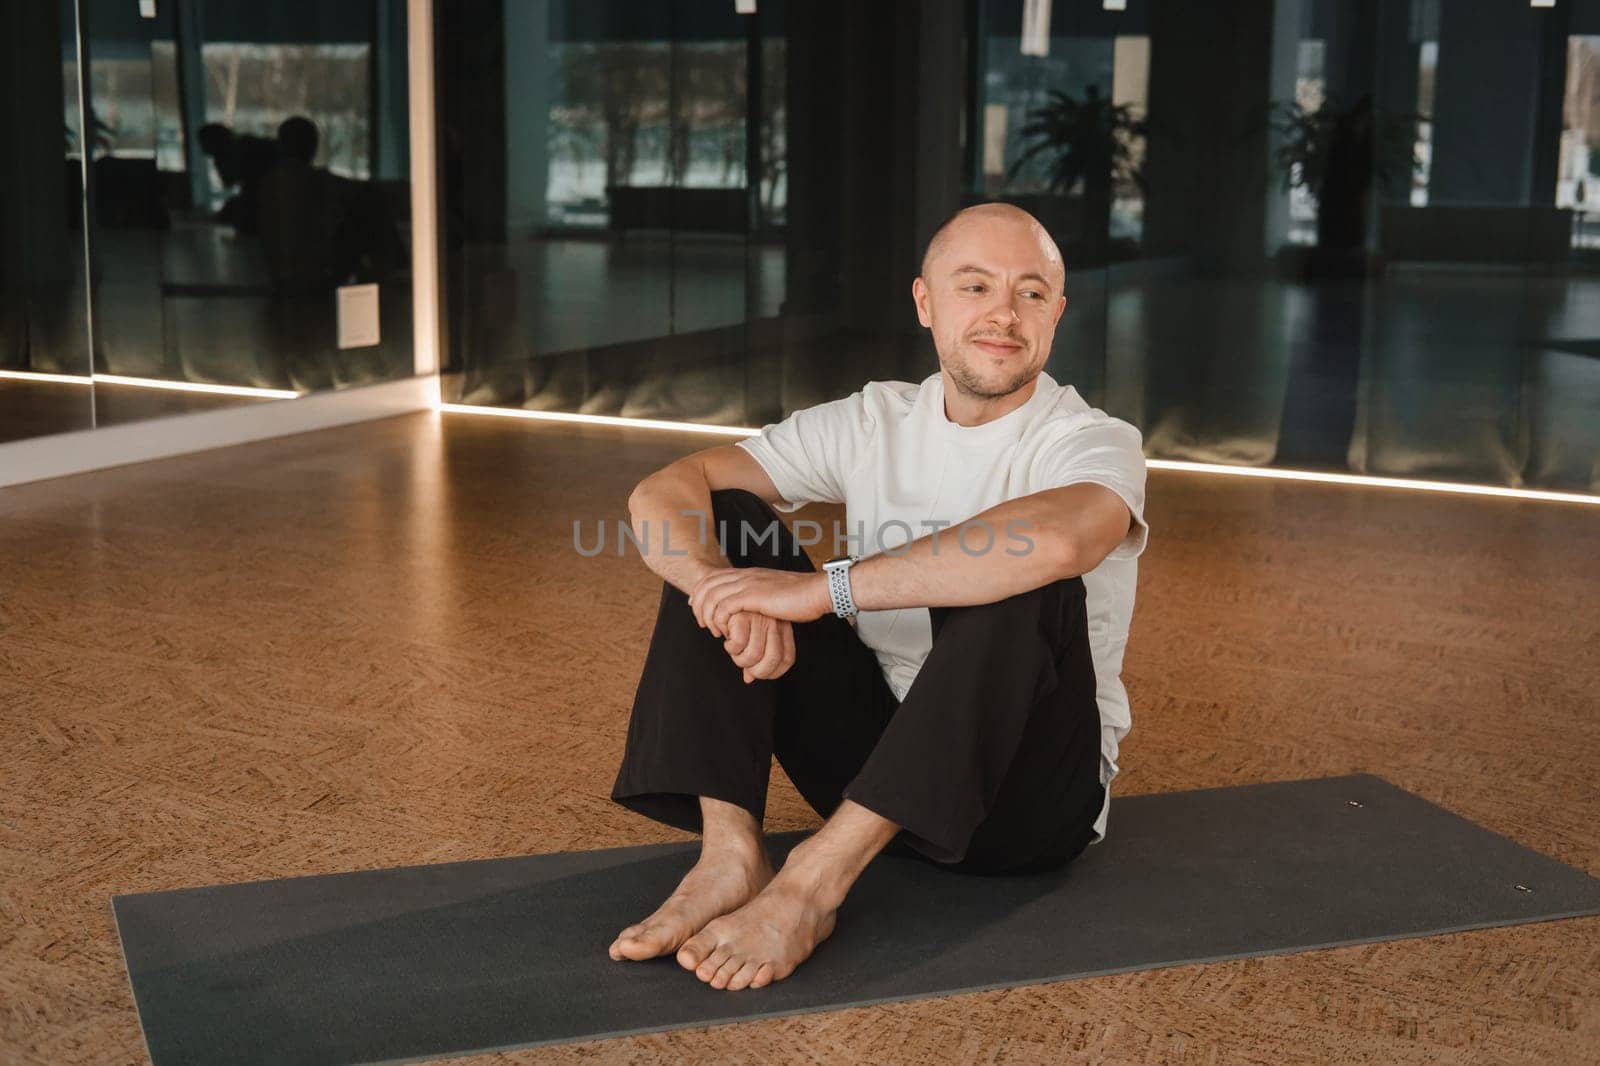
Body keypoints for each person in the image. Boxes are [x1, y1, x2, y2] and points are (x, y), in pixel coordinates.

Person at [608, 202, 1149, 992]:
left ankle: (810, 886)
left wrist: (821, 591)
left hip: (1024, 804)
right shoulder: (875, 420)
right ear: (926, 303)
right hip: (875, 768)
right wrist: (722, 592)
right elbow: (666, 488)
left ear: (1056, 316)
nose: (1003, 313)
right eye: (975, 287)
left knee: (1022, 571)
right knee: (725, 524)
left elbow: (1062, 541)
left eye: (1031, 294)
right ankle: (730, 854)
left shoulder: (1093, 439)